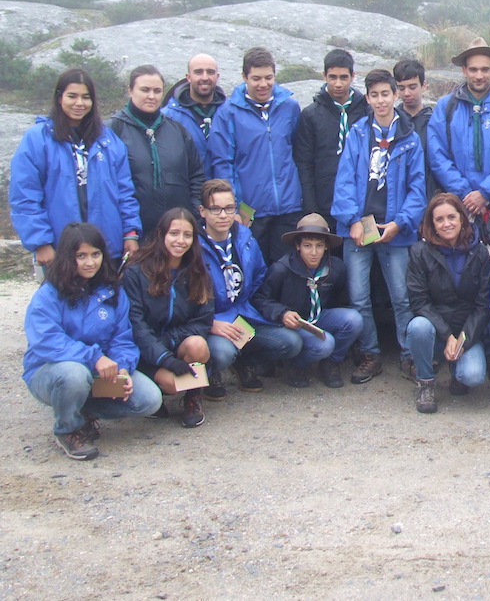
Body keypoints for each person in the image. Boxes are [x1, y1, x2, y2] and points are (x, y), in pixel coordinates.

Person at [23, 222, 163, 461]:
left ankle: (81, 411)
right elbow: (47, 340)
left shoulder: (112, 291)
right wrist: (95, 357)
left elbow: (123, 338)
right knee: (74, 374)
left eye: (95, 254)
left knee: (150, 399)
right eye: (81, 256)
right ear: (68, 257)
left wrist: (123, 367)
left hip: (99, 371)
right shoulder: (48, 294)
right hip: (50, 372)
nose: (90, 262)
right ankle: (68, 430)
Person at [331, 68, 426, 384]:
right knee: (359, 297)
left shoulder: (409, 138)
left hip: (394, 228)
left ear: (395, 95)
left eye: (386, 94)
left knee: (401, 297)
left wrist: (401, 222)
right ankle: (370, 353)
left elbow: (417, 188)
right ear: (368, 98)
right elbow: (344, 180)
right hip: (359, 228)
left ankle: (409, 354)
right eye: (374, 95)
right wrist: (352, 220)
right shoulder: (358, 134)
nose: (381, 100)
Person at [10, 67, 141, 267]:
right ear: (59, 98)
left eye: (86, 97)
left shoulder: (108, 141)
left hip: (106, 248)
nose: (79, 103)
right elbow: (25, 196)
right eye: (72, 96)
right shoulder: (38, 139)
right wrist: (40, 242)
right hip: (60, 249)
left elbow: (125, 193)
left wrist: (130, 233)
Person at [197, 178, 300, 396]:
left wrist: (273, 313)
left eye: (229, 208)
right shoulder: (193, 246)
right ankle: (212, 372)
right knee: (223, 353)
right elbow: (185, 301)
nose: (223, 215)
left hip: (243, 314)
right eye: (215, 209)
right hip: (212, 321)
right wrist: (210, 323)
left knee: (290, 343)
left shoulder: (244, 237)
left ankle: (244, 362)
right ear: (202, 211)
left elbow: (259, 278)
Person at [426, 37, 490, 256]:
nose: (479, 75)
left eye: (485, 69)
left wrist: (485, 193)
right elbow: (437, 156)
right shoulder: (446, 106)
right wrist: (466, 194)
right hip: (457, 208)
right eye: (473, 69)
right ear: (464, 70)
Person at [208, 47, 303, 265]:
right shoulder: (228, 113)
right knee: (252, 268)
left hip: (288, 207)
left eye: (268, 78)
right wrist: (232, 207)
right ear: (244, 77)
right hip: (250, 210)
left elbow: (298, 151)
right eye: (256, 78)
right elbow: (223, 164)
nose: (263, 84)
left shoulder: (289, 107)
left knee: (285, 270)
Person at [124, 208, 215, 429]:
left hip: (175, 344)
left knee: (198, 345)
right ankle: (154, 390)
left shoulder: (199, 272)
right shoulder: (136, 272)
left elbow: (203, 321)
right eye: (174, 233)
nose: (180, 241)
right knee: (171, 385)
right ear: (161, 234)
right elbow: (136, 325)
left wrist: (170, 342)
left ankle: (193, 397)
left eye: (187, 235)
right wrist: (164, 358)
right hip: (144, 351)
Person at [251, 214, 364, 389]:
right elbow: (260, 299)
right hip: (292, 322)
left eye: (319, 246)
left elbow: (340, 299)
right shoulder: (281, 269)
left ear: (326, 246)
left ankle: (331, 362)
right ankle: (296, 364)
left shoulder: (335, 268)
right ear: (298, 246)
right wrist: (282, 313)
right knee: (326, 344)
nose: (313, 252)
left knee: (354, 319)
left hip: (318, 316)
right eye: (307, 246)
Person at [405, 193, 490, 413]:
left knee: (473, 376)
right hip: (435, 331)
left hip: (466, 329)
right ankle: (425, 383)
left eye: (451, 217)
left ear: (462, 218)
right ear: (432, 224)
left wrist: (462, 339)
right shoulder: (419, 252)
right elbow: (419, 301)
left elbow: (482, 306)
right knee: (417, 326)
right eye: (439, 219)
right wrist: (447, 335)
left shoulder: (480, 253)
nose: (446, 224)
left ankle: (457, 373)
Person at [109, 64, 205, 238]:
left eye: (157, 91)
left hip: (176, 234)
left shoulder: (178, 131)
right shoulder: (113, 130)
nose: (151, 96)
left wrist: (193, 214)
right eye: (145, 90)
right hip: (133, 233)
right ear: (130, 90)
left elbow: (196, 176)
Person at [294, 49, 368, 231]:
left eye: (344, 77)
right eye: (332, 77)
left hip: (361, 203)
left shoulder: (366, 111)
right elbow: (304, 164)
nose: (338, 84)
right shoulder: (311, 115)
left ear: (353, 76)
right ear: (324, 76)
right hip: (324, 202)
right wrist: (312, 209)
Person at [163, 53, 225, 177]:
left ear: (217, 76)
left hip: (223, 187)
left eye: (210, 72)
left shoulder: (230, 113)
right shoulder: (168, 116)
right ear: (189, 77)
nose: (205, 77)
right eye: (198, 72)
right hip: (186, 187)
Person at [394, 59, 438, 198]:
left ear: (424, 86)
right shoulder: (392, 122)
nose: (407, 93)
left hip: (429, 194)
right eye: (401, 88)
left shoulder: (435, 123)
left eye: (412, 87)